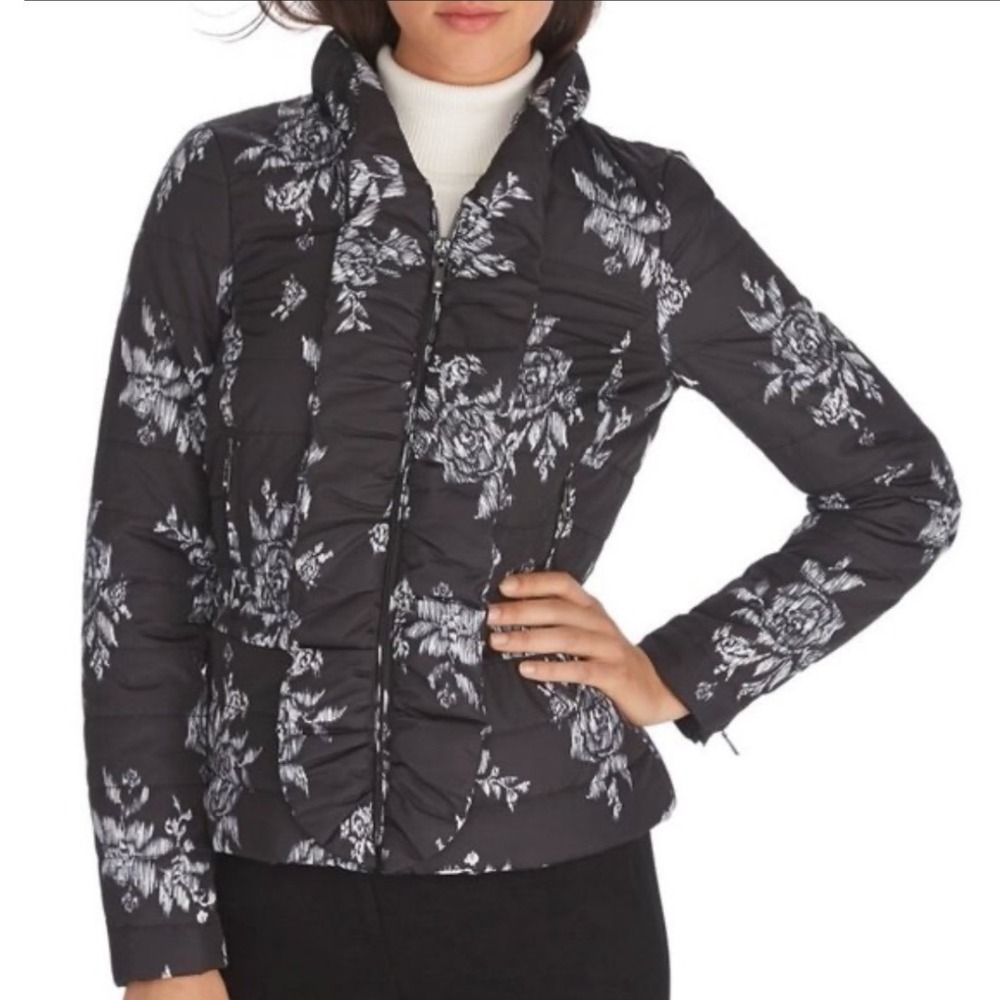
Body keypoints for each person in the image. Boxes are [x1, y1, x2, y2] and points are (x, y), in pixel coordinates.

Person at [80, 2, 961, 998]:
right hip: (265, 899)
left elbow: (901, 490)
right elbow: (139, 573)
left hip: (559, 907)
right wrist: (162, 944)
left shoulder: (646, 215)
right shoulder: (230, 181)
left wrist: (675, 672)